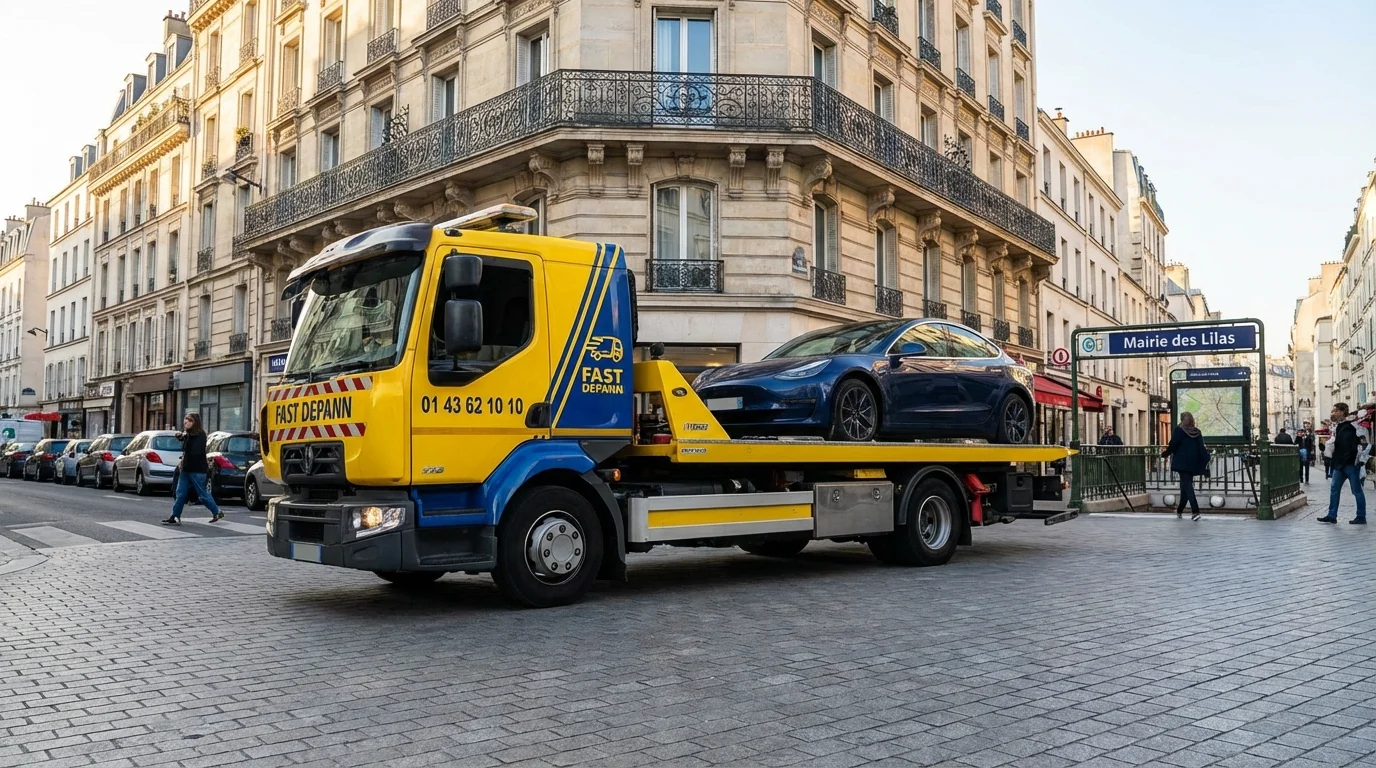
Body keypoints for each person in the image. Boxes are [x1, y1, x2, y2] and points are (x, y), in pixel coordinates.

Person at [162, 412, 224, 525]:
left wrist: (185, 440)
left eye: (190, 420)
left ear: (195, 422)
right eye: (186, 419)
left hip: (197, 469)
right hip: (186, 469)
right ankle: (175, 516)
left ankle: (217, 512)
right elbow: (187, 445)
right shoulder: (189, 434)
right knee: (180, 493)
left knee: (202, 494)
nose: (186, 422)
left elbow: (195, 452)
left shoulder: (200, 435)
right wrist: (182, 438)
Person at [1318, 403, 1366, 525]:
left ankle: (1361, 516)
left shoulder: (1352, 426)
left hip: (1350, 464)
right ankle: (1332, 515)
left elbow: (1352, 445)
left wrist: (1350, 459)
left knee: (1356, 490)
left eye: (1335, 411)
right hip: (1339, 464)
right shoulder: (1338, 427)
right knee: (1334, 488)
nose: (1332, 413)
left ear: (1342, 411)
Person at [1162, 411, 1210, 521]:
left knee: (1187, 486)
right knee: (1185, 486)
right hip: (1193, 463)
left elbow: (1173, 444)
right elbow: (1202, 449)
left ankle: (1195, 511)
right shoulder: (1197, 432)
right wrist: (1207, 458)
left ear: (1182, 420)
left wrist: (1166, 454)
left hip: (1182, 463)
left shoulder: (1179, 430)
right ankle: (1180, 510)